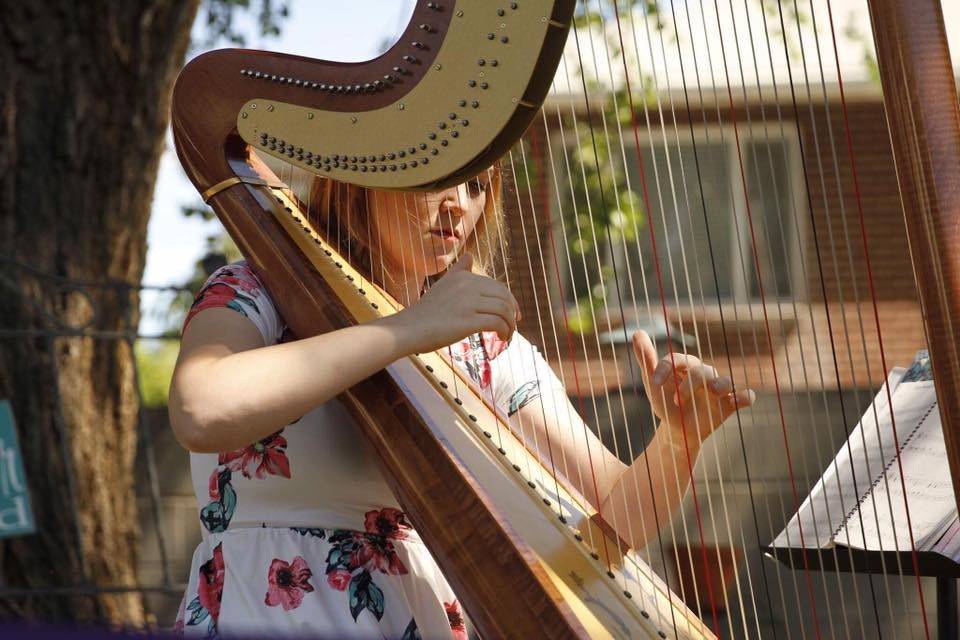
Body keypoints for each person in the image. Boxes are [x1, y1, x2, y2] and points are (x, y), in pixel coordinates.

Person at [168, 162, 755, 638]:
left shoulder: (480, 343)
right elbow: (201, 408)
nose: (459, 205)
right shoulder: (256, 290)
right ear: (361, 174)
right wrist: (406, 330)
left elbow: (614, 517)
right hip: (266, 611)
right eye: (434, 180)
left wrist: (678, 440)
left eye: (476, 186)